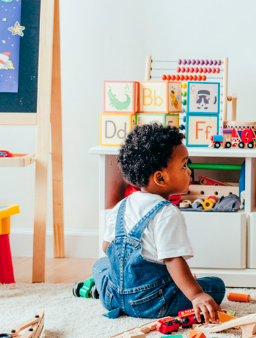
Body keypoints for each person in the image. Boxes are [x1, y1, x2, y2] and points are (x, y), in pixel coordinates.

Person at [93, 123, 225, 322]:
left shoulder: (121, 206)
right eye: (184, 165)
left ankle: (103, 291)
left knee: (100, 265)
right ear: (160, 178)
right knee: (216, 286)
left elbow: (106, 248)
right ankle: (189, 292)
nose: (189, 171)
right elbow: (173, 260)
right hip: (152, 302)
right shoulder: (166, 213)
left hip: (113, 297)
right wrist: (196, 295)